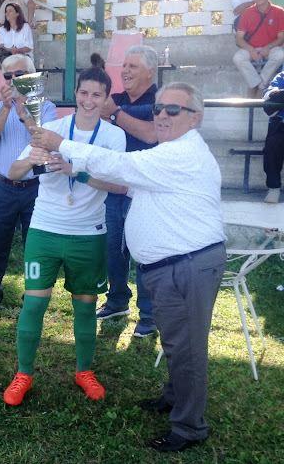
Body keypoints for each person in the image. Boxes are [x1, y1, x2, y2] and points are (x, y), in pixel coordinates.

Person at [30, 82, 226, 453]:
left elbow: (121, 166)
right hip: (173, 267)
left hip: (185, 267)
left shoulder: (181, 153)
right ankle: (174, 397)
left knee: (187, 350)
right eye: (158, 109)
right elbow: (125, 184)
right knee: (177, 342)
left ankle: (189, 428)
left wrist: (62, 144)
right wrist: (77, 172)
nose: (162, 115)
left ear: (195, 118)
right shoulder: (168, 153)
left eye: (173, 110)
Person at [2, 54, 127, 406]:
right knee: (33, 304)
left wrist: (77, 172)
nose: (89, 100)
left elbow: (119, 185)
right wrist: (31, 160)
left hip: (89, 234)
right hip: (45, 229)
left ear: (106, 98)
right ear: (76, 93)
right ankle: (23, 374)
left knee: (85, 308)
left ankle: (84, 371)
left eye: (97, 95)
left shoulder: (114, 136)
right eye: (84, 93)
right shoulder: (52, 128)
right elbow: (13, 172)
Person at [0, 54, 56, 316]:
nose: (13, 80)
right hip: (4, 187)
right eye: (8, 76)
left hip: (35, 187)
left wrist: (23, 113)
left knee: (34, 246)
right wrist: (6, 108)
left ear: (31, 77)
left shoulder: (46, 107)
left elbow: (46, 141)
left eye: (19, 75)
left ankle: (32, 295)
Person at [98, 45, 159, 338]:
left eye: (132, 66)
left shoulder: (160, 100)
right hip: (115, 187)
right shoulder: (117, 99)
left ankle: (148, 315)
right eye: (124, 65)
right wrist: (114, 113)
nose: (125, 71)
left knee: (144, 253)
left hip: (145, 192)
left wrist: (115, 115)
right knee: (113, 249)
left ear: (150, 72)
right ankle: (117, 301)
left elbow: (150, 133)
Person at [233, 0, 284, 98]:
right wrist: (251, 50)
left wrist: (269, 46)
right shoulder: (247, 12)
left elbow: (281, 38)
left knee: (280, 55)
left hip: (270, 47)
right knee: (238, 58)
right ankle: (255, 84)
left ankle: (261, 87)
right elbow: (239, 38)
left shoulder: (279, 11)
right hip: (251, 48)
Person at [261, 71, 284, 203]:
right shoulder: (282, 76)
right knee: (272, 147)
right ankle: (273, 188)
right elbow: (268, 95)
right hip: (280, 124)